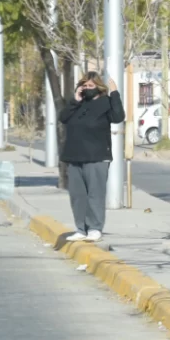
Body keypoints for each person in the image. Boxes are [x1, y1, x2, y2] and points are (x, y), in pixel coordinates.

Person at [59, 71, 125, 243]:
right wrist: (75, 100)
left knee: (95, 194)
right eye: (84, 86)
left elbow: (118, 117)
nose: (87, 89)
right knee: (77, 195)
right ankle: (81, 228)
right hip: (75, 157)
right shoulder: (78, 104)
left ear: (99, 87)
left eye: (90, 86)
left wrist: (115, 93)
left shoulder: (106, 103)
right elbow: (63, 118)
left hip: (97, 156)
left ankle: (95, 228)